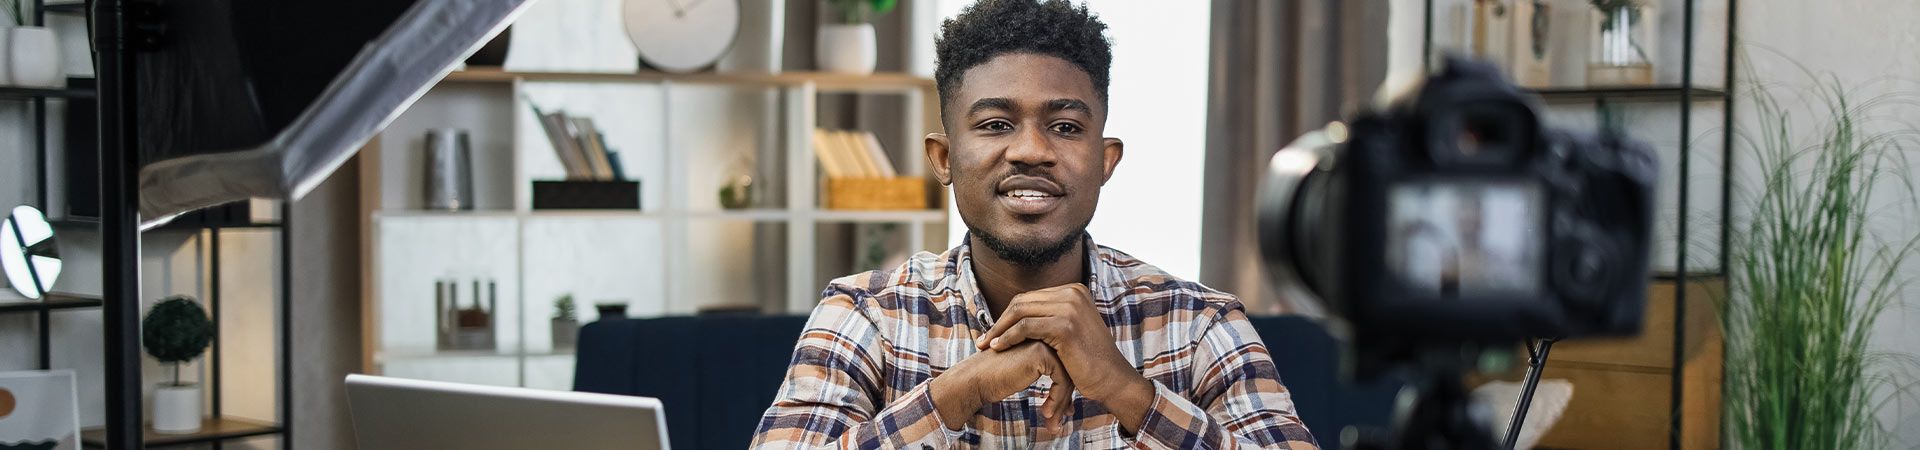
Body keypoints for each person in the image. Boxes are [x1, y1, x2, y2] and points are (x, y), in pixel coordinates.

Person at [750, 1, 1317, 448]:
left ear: (1105, 160)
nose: (1030, 150)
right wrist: (959, 391)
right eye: (996, 124)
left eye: (1066, 127)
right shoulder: (865, 315)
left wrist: (1127, 391)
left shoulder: (1198, 324)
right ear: (943, 159)